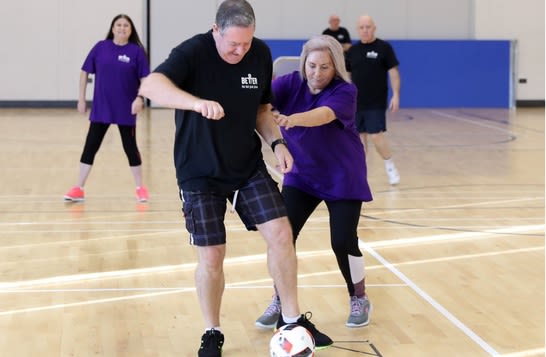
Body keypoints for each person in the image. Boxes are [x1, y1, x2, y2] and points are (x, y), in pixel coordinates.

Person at [138, 1, 333, 356]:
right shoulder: (193, 52)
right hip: (199, 172)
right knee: (212, 256)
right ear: (216, 30)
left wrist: (276, 143)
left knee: (281, 233)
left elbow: (261, 108)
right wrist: (195, 103)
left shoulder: (259, 54)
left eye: (246, 43)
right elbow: (151, 86)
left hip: (246, 165)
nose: (240, 51)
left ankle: (291, 320)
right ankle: (212, 331)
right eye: (233, 44)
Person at [254, 35, 373, 330]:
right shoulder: (288, 83)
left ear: (335, 67)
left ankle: (358, 296)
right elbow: (260, 101)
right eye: (312, 66)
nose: (317, 73)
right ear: (303, 62)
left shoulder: (345, 91)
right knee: (282, 237)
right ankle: (280, 299)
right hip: (302, 175)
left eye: (324, 67)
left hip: (342, 175)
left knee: (343, 241)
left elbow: (323, 115)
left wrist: (291, 119)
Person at [64, 14, 150, 202]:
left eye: (125, 25)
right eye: (118, 25)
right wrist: (81, 99)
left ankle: (140, 188)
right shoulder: (101, 48)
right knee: (90, 146)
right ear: (112, 28)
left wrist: (140, 98)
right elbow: (84, 72)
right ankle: (79, 188)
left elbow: (145, 79)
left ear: (130, 30)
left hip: (126, 109)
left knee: (130, 148)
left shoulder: (136, 52)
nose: (121, 28)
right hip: (102, 108)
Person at [346, 14, 401, 186]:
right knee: (359, 140)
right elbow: (347, 75)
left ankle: (389, 165)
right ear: (357, 30)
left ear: (374, 28)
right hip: (356, 102)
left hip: (376, 101)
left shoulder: (384, 48)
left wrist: (396, 95)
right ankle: (361, 174)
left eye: (368, 27)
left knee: (376, 136)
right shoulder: (353, 51)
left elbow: (394, 73)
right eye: (361, 27)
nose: (365, 30)